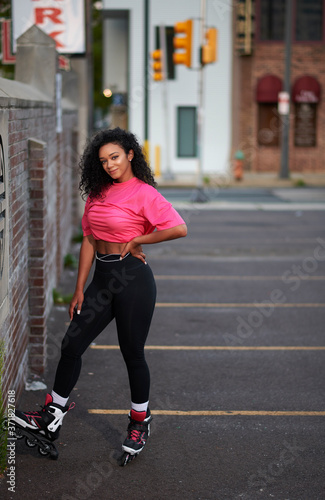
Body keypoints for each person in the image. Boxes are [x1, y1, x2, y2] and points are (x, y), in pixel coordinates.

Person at [14, 127, 187, 460]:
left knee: (132, 352)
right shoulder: (97, 192)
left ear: (130, 154)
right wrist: (79, 287)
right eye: (104, 160)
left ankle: (140, 421)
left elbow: (178, 227)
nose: (109, 165)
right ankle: (51, 418)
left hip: (133, 280)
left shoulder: (144, 193)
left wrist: (139, 240)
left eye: (115, 157)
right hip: (102, 280)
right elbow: (90, 240)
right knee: (71, 345)